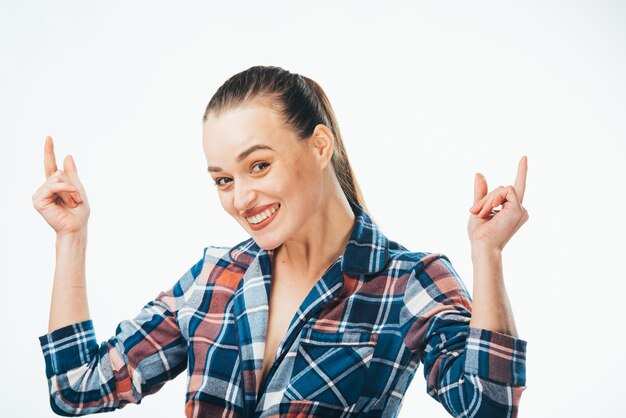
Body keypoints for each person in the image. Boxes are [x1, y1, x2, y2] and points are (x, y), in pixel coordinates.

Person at [33, 65, 528, 418]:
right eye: (223, 180)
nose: (242, 198)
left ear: (319, 145)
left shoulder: (408, 283)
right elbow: (77, 388)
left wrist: (488, 254)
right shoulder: (214, 279)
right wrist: (70, 238)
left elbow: (488, 406)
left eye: (258, 165)